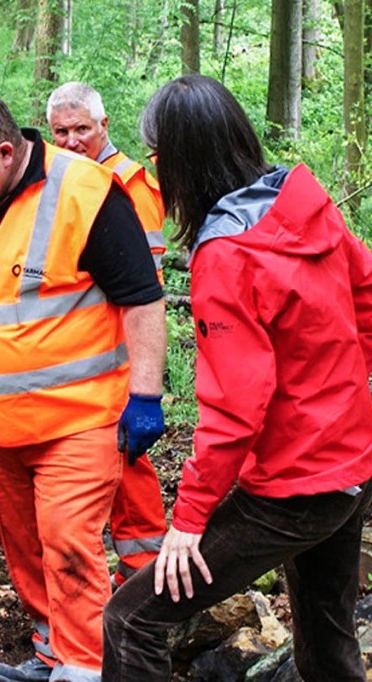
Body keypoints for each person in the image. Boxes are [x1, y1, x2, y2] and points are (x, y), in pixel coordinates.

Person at [103, 75, 372, 681]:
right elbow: (367, 298)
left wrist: (189, 518)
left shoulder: (227, 253)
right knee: (327, 648)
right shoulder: (305, 205)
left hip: (295, 488)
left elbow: (234, 408)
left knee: (130, 620)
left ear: (182, 162)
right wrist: (340, 395)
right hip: (352, 463)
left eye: (157, 158)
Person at [0, 84, 166, 682]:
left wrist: (146, 396)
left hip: (78, 419)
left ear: (5, 152)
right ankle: (53, 651)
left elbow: (142, 298)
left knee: (68, 542)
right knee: (23, 544)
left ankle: (85, 668)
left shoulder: (85, 192)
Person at [45, 81, 168, 585]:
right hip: (81, 348)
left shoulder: (130, 184)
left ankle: (146, 566)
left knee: (126, 452)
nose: (71, 140)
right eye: (61, 132)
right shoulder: (60, 179)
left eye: (81, 129)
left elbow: (147, 288)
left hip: (120, 347)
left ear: (103, 125)